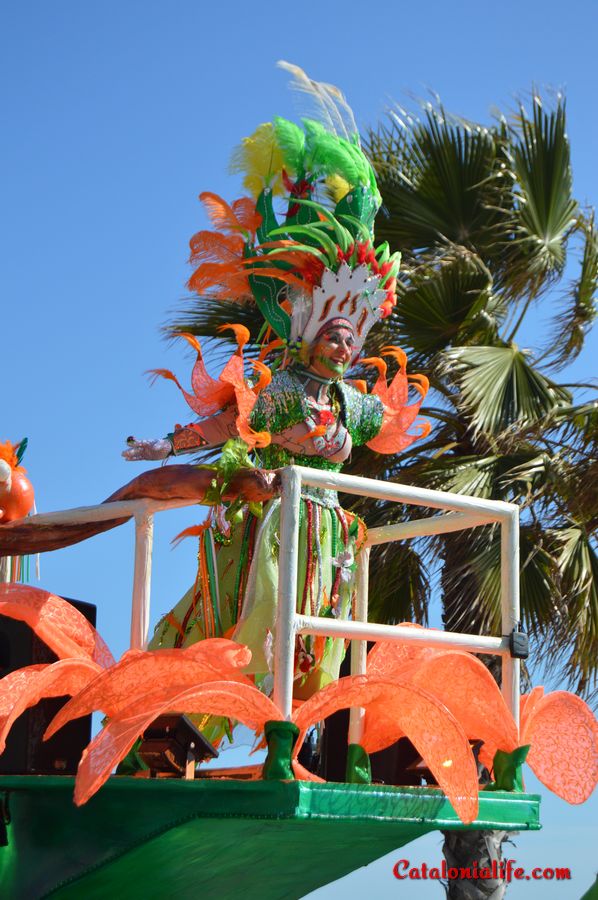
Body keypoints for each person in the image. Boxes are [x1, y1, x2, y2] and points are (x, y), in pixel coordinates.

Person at [124, 69, 430, 712]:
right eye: (335, 336)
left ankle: (290, 732)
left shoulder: (353, 401)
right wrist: (166, 445)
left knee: (319, 646)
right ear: (311, 334)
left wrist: (343, 440)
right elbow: (228, 424)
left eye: (352, 340)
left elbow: (387, 431)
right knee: (254, 620)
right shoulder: (285, 387)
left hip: (327, 534)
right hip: (273, 524)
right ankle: (192, 710)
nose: (344, 348)